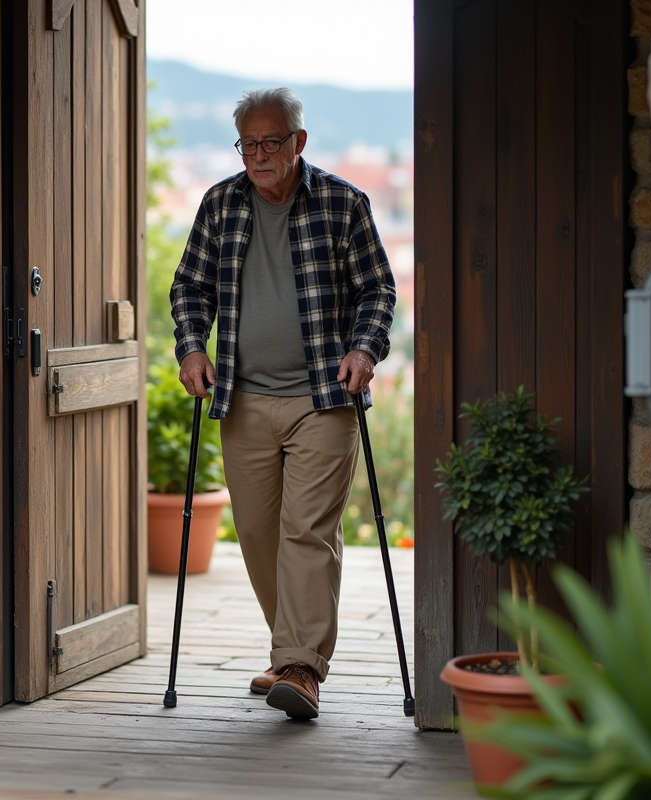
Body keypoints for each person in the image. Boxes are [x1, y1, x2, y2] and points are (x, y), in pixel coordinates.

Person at [170, 87, 396, 720]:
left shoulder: (343, 203)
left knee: (307, 532)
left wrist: (365, 351)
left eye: (272, 142)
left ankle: (301, 665)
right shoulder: (220, 204)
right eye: (249, 144)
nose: (260, 155)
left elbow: (377, 288)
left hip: (324, 396)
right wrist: (192, 349)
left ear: (299, 142)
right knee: (258, 535)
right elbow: (189, 286)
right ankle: (290, 651)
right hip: (242, 397)